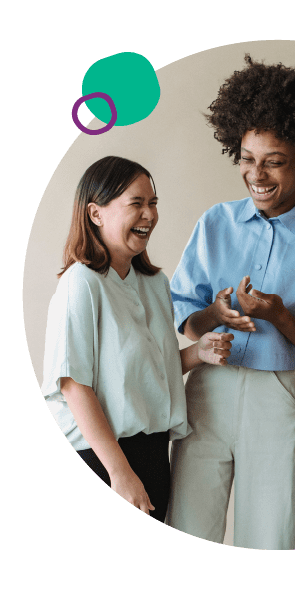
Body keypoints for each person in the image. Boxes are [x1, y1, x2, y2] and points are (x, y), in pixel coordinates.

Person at [167, 55, 295, 549]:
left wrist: (280, 315)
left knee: (272, 538)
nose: (256, 173)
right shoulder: (215, 223)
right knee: (190, 528)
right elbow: (185, 322)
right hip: (205, 392)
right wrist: (216, 313)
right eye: (247, 157)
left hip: (273, 398)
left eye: (274, 160)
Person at [41, 156, 233, 523]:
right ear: (96, 214)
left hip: (154, 452)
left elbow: (144, 374)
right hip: (101, 459)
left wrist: (197, 353)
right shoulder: (81, 284)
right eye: (136, 204)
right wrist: (120, 473)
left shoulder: (155, 284)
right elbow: (74, 385)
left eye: (153, 203)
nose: (149, 215)